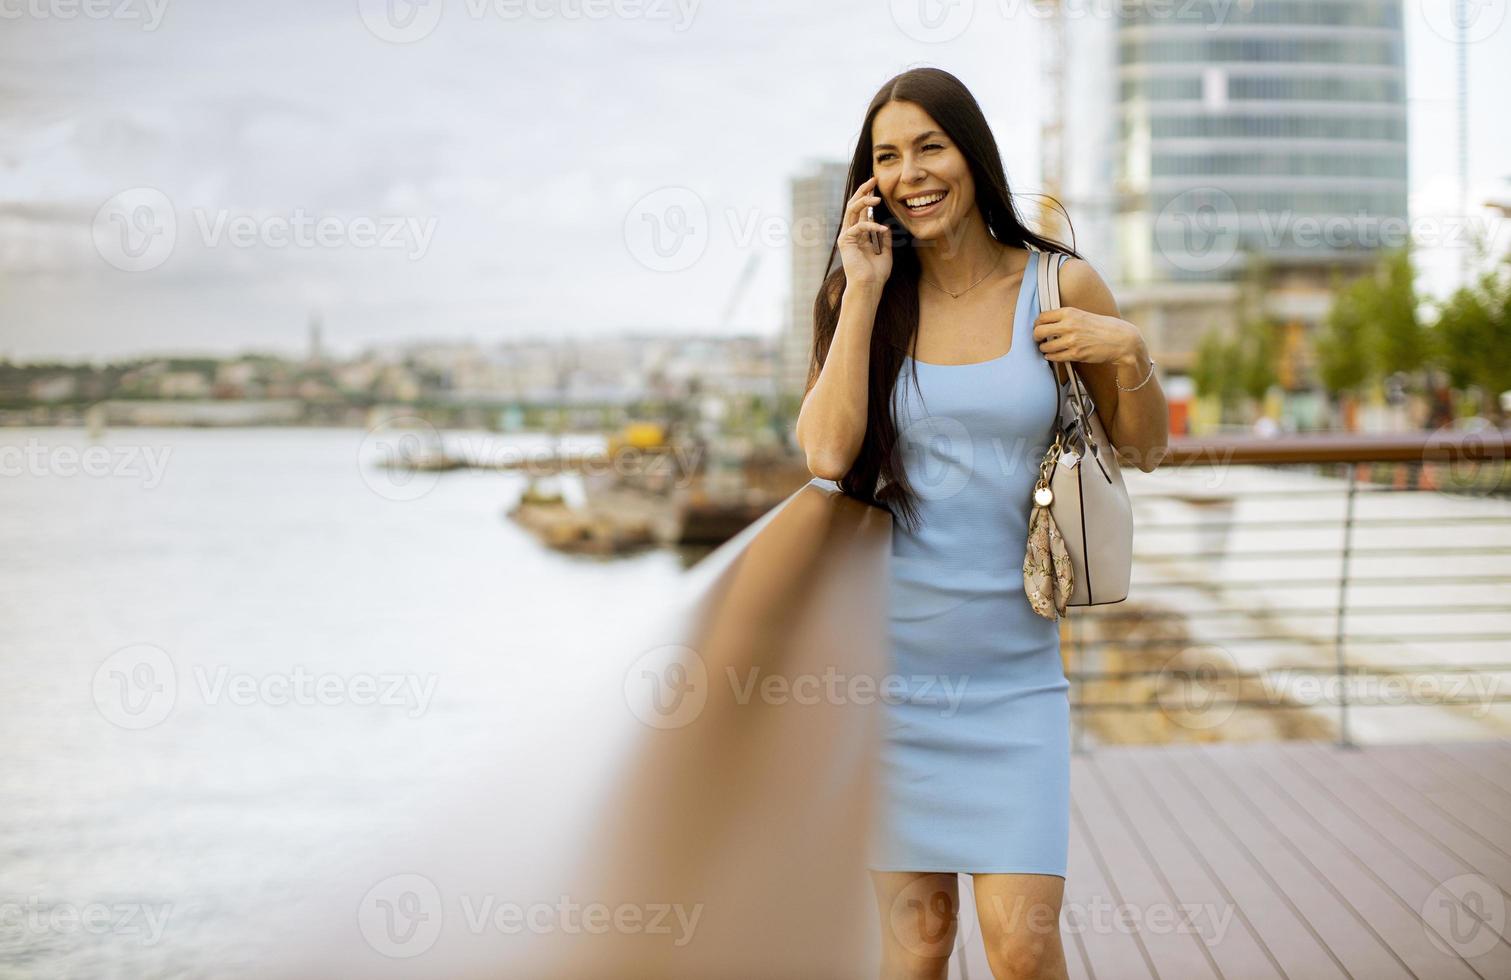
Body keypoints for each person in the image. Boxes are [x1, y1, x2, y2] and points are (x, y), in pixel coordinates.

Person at [795, 67, 1167, 980]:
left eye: (930, 146)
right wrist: (865, 286)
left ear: (972, 154)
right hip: (887, 678)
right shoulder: (869, 299)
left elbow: (1145, 449)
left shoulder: (1057, 283)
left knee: (1023, 946)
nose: (910, 172)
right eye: (886, 156)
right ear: (868, 182)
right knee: (918, 945)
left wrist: (1131, 353)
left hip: (1014, 681)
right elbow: (825, 454)